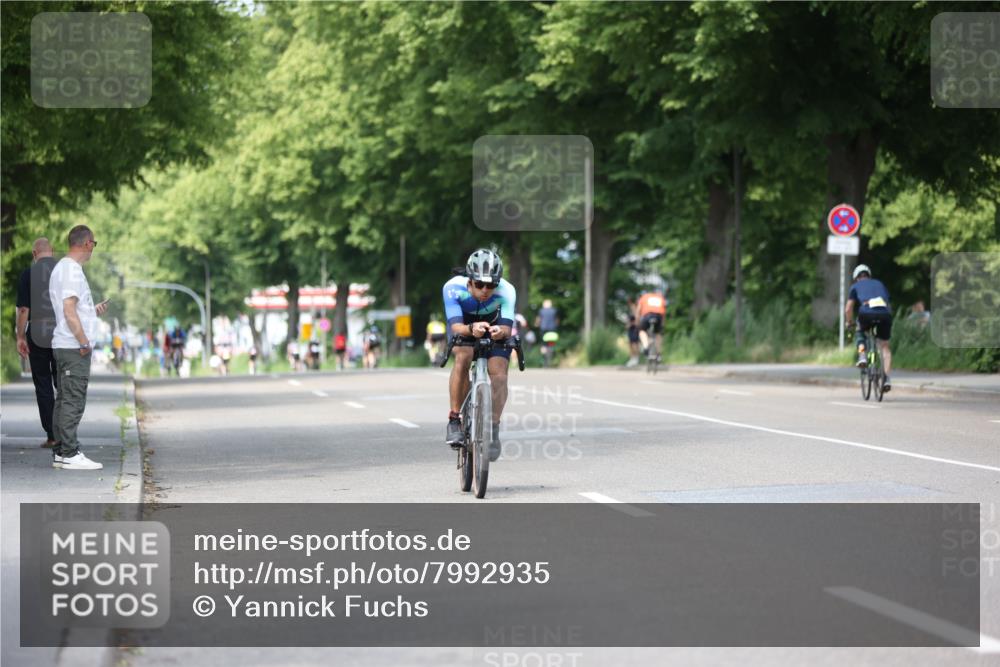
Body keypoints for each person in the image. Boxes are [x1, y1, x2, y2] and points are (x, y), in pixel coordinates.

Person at [443, 248, 516, 461]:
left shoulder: (507, 291)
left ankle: (492, 427)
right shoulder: (453, 288)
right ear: (469, 280)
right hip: (464, 326)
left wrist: (498, 332)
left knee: (500, 373)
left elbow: (507, 329)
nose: (486, 290)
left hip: (493, 329)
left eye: (491, 285)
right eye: (480, 284)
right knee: (464, 355)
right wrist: (471, 328)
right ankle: (455, 419)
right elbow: (456, 326)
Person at [48, 225, 108, 471]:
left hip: (64, 343)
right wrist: (84, 342)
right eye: (94, 243)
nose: (93, 248)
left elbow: (73, 311)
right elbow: (69, 311)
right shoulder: (72, 271)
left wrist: (91, 313)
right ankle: (71, 452)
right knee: (73, 400)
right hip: (73, 346)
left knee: (63, 400)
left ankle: (62, 451)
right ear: (87, 243)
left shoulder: (61, 268)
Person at [15, 237, 59, 448]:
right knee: (63, 383)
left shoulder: (27, 274)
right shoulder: (63, 271)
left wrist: (20, 336)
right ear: (52, 251)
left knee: (43, 384)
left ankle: (52, 435)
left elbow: (24, 309)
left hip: (38, 330)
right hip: (62, 332)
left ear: (34, 254)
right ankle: (66, 432)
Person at [846, 264, 894, 391]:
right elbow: (888, 302)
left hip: (866, 314)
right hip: (884, 314)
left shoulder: (855, 286)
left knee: (860, 332)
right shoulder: (879, 283)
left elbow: (848, 308)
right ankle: (886, 379)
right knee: (884, 346)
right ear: (869, 276)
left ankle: (862, 356)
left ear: (856, 278)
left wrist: (849, 322)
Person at [635, 288, 667, 361]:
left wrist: (637, 322)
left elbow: (638, 310)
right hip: (659, 316)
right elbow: (664, 313)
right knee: (658, 334)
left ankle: (646, 347)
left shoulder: (644, 297)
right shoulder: (660, 297)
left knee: (642, 331)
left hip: (647, 315)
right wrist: (663, 323)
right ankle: (659, 354)